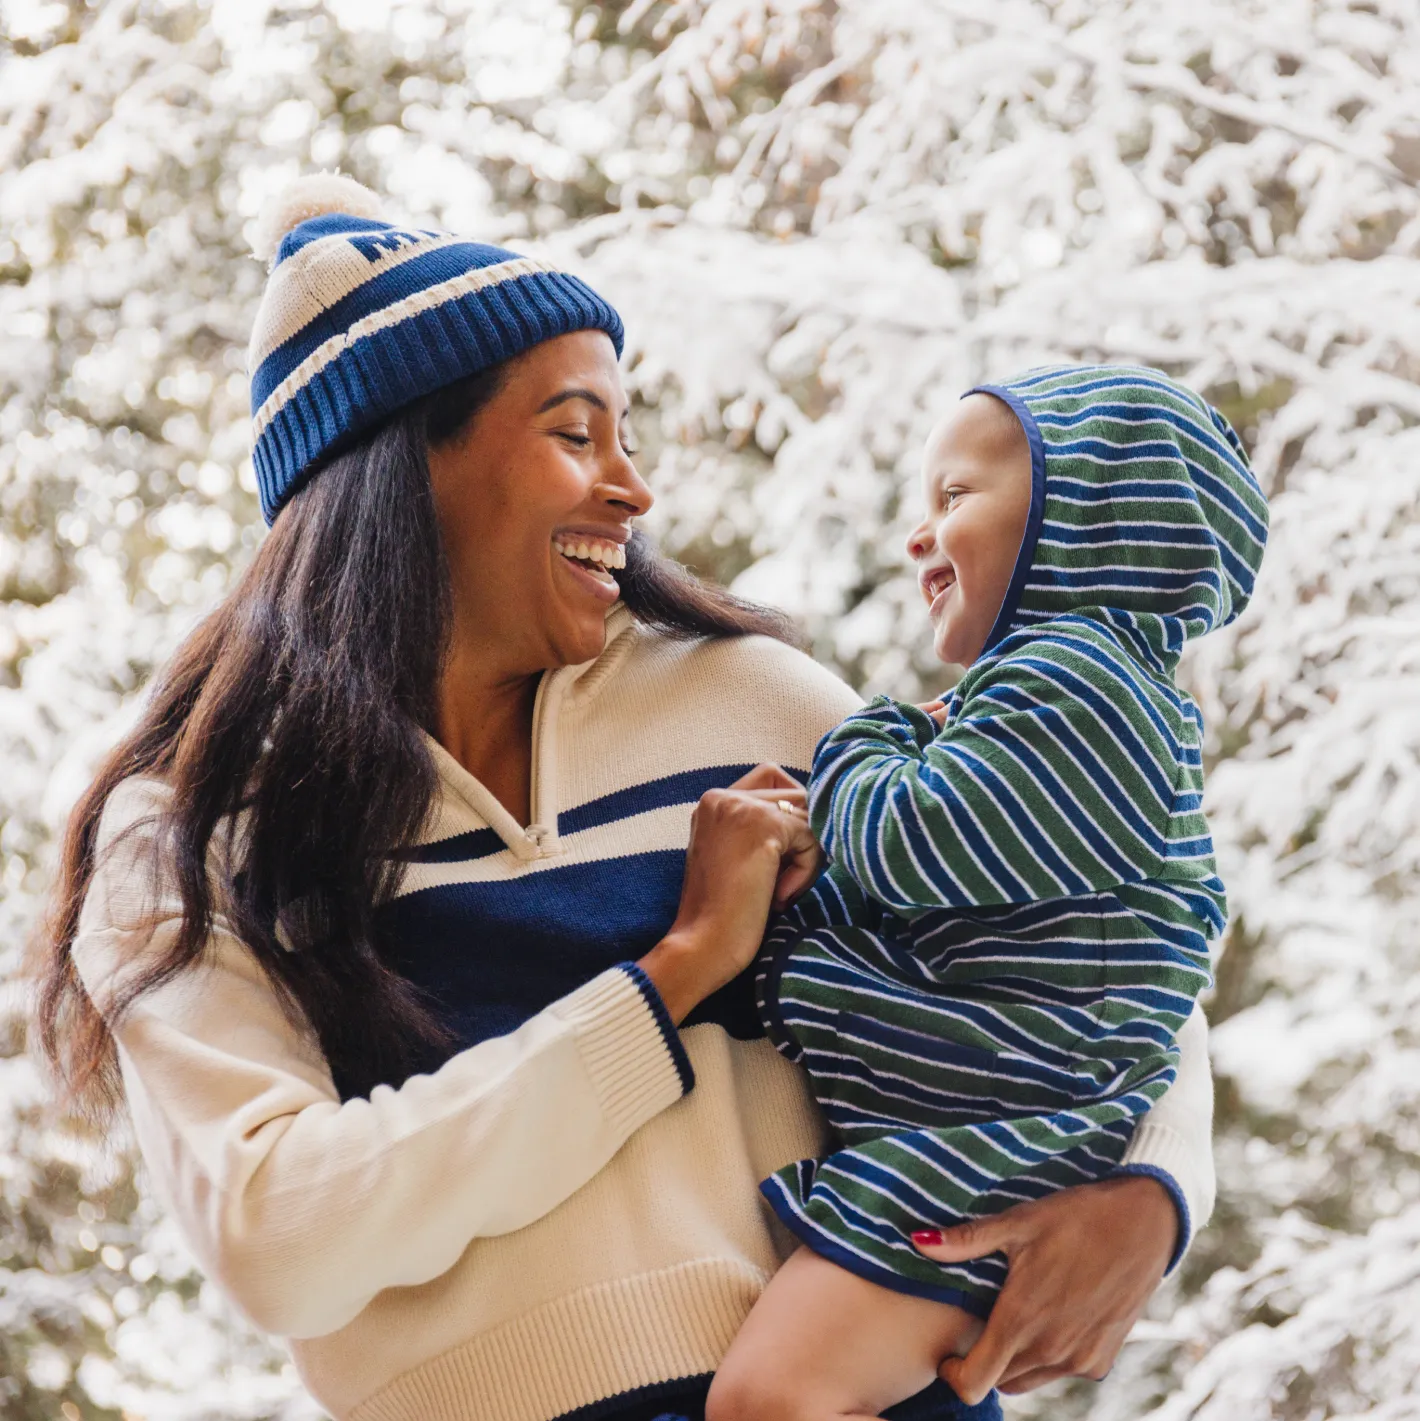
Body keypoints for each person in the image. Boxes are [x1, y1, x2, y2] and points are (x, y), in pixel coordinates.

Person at [32, 179, 1217, 1422]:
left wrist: (1154, 1188)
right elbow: (278, 1231)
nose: (632, 489)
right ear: (396, 470)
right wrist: (673, 977)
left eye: (628, 435)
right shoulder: (196, 834)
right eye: (574, 431)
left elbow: (1096, 905)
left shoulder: (757, 704)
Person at [709, 368, 1267, 1420]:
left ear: (1087, 522)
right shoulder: (1073, 692)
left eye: (954, 498)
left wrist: (862, 743)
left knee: (770, 1401)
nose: (919, 535)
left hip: (989, 1164)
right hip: (983, 1141)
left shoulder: (1077, 682)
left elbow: (913, 846)